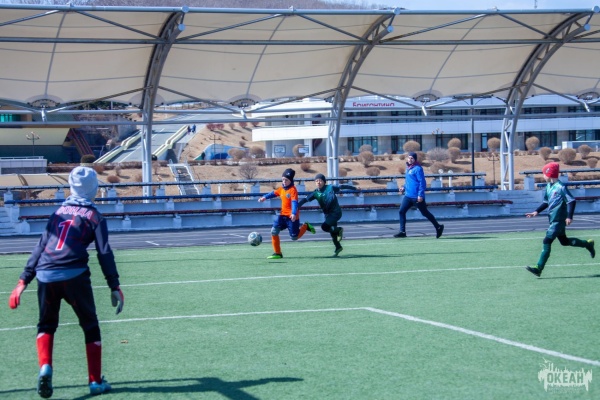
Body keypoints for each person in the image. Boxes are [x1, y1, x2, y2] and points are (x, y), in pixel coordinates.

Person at [8, 166, 124, 398]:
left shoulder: (58, 213)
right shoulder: (95, 216)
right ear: (93, 188)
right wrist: (114, 285)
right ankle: (95, 381)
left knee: (46, 325)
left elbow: (41, 246)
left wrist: (23, 280)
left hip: (45, 274)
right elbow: (104, 252)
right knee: (90, 326)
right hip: (74, 275)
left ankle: (45, 367)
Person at [525, 162, 595, 277]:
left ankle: (538, 268)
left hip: (558, 221)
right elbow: (546, 202)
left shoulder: (561, 187)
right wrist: (536, 212)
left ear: (549, 174)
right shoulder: (549, 186)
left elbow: (571, 201)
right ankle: (587, 244)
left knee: (546, 241)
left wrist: (569, 216)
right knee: (564, 242)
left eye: (544, 173)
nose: (543, 176)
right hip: (553, 220)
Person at [258, 168, 315, 259]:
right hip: (282, 216)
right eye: (283, 179)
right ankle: (278, 253)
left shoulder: (293, 190)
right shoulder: (281, 189)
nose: (284, 182)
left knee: (294, 237)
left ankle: (306, 226)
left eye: (286, 180)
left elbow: (294, 202)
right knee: (274, 231)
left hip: (292, 217)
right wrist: (264, 197)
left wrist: (293, 213)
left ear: (291, 181)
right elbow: (273, 193)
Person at [298, 173, 358, 257]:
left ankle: (339, 230)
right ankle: (338, 247)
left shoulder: (330, 188)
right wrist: (297, 207)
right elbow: (305, 200)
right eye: (316, 181)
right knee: (333, 233)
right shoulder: (315, 193)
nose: (318, 182)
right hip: (328, 215)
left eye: (320, 180)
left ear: (324, 182)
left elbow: (341, 187)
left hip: (336, 213)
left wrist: (354, 188)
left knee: (324, 227)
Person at [394, 152, 444, 239]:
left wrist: (420, 195)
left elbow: (422, 182)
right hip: (408, 196)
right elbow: (409, 181)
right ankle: (402, 232)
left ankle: (438, 227)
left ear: (415, 159)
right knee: (401, 211)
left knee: (425, 213)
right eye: (409, 158)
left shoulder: (418, 168)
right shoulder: (408, 168)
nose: (410, 159)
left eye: (412, 158)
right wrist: (403, 187)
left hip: (416, 197)